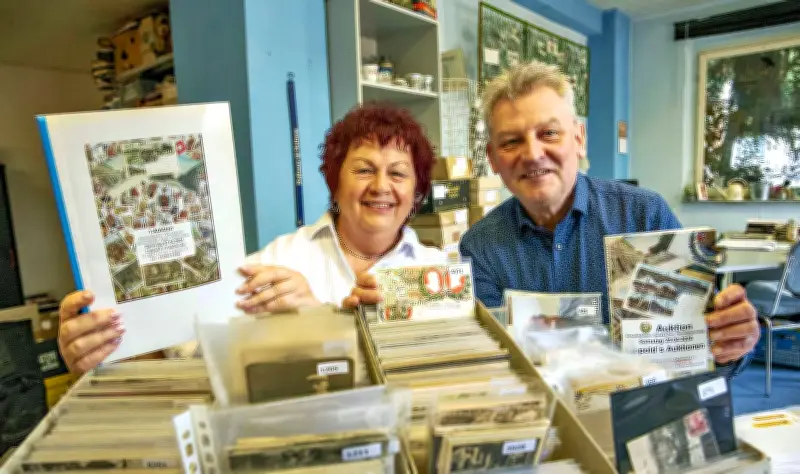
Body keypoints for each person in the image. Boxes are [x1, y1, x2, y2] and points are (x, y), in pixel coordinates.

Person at [57, 103, 445, 374]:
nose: (381, 187)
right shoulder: (281, 261)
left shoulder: (437, 272)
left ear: (417, 191)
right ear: (334, 180)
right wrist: (107, 349)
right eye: (363, 169)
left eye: (398, 174)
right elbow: (186, 350)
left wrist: (322, 320)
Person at [458, 61, 759, 377]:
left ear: (578, 139)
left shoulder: (645, 215)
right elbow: (493, 365)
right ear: (492, 158)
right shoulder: (480, 247)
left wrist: (730, 343)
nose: (532, 153)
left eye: (549, 133)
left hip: (642, 409)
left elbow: (699, 349)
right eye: (511, 141)